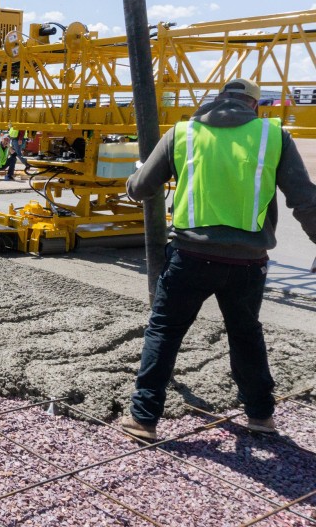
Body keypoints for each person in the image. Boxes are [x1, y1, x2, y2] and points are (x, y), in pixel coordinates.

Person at [120, 77, 316, 441]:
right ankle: (260, 416)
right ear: (254, 106)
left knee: (164, 332)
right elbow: (304, 199)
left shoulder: (183, 133)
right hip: (248, 263)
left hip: (190, 257)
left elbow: (141, 188)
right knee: (245, 335)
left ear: (218, 100)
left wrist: (137, 174)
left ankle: (143, 419)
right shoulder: (273, 136)